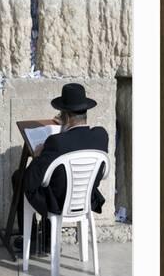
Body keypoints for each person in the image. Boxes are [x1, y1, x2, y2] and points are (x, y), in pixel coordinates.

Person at [17, 83, 109, 250]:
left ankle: (30, 238)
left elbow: (30, 181)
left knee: (20, 177)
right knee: (53, 178)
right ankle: (47, 238)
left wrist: (38, 156)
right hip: (86, 199)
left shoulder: (55, 142)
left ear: (65, 117)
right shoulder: (101, 136)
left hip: (58, 203)